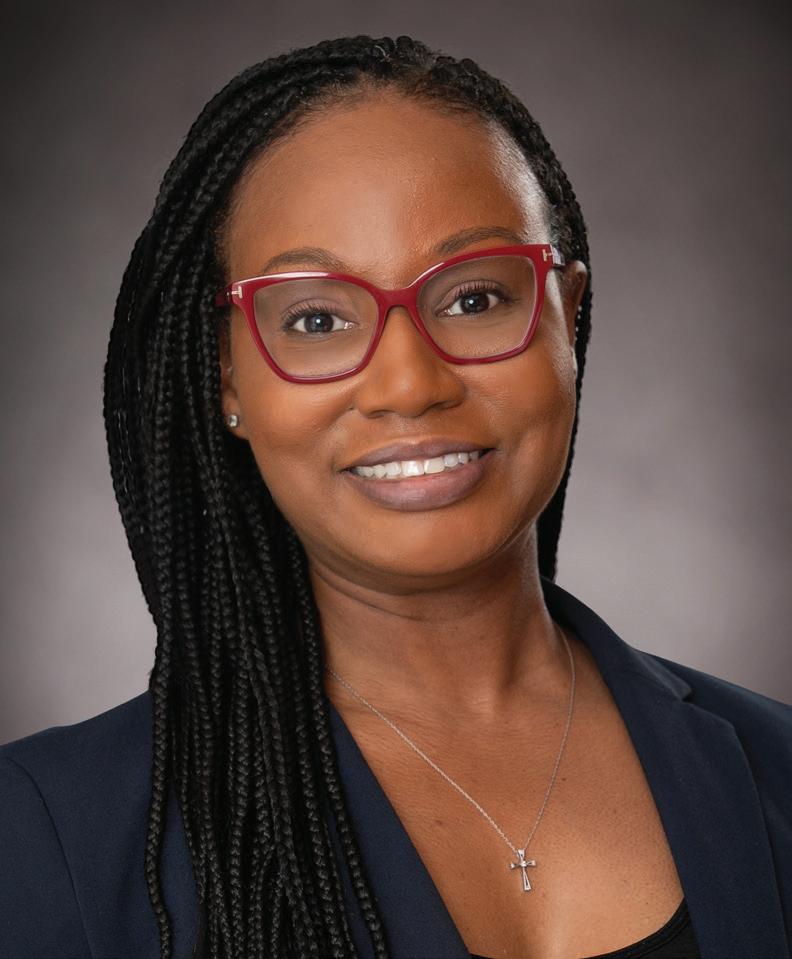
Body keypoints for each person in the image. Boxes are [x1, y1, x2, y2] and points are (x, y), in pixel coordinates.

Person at [0, 33, 789, 959]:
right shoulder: (45, 834)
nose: (410, 383)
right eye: (317, 318)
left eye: (474, 299)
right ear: (226, 378)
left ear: (566, 316)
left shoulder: (774, 762)